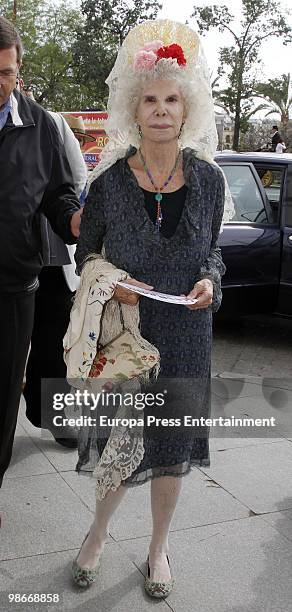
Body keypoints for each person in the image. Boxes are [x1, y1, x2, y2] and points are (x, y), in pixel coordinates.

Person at [68, 20, 233, 599]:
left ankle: (159, 547)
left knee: (170, 451)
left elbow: (212, 251)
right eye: (150, 100)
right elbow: (87, 254)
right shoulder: (109, 182)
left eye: (171, 99)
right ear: (133, 110)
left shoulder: (210, 180)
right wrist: (114, 285)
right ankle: (96, 535)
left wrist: (211, 281)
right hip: (129, 338)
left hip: (188, 335)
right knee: (119, 442)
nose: (161, 110)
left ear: (186, 108)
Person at [0, 16, 81, 487]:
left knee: (5, 393)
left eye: (6, 73)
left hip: (14, 287)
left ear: (19, 70)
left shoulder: (41, 127)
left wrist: (73, 218)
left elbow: (58, 193)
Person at [23, 110, 88, 447]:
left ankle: (52, 414)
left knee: (53, 341)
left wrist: (57, 213)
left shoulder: (51, 123)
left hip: (50, 252)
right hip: (8, 255)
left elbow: (74, 180)